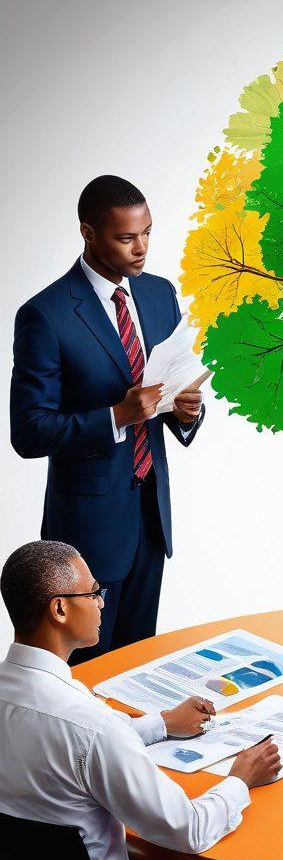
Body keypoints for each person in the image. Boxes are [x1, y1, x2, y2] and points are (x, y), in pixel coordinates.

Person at [0, 540, 282, 860]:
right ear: (59, 608)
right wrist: (241, 779)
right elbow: (190, 831)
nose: (102, 603)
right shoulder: (91, 726)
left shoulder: (49, 705)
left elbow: (78, 740)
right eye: (94, 592)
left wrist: (163, 723)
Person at [10, 175, 205, 663]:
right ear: (88, 232)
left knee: (136, 666)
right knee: (86, 673)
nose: (141, 249)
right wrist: (117, 415)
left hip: (150, 518)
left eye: (147, 233)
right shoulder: (46, 314)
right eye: (125, 238)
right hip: (87, 530)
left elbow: (169, 385)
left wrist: (184, 410)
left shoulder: (160, 294)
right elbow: (28, 431)